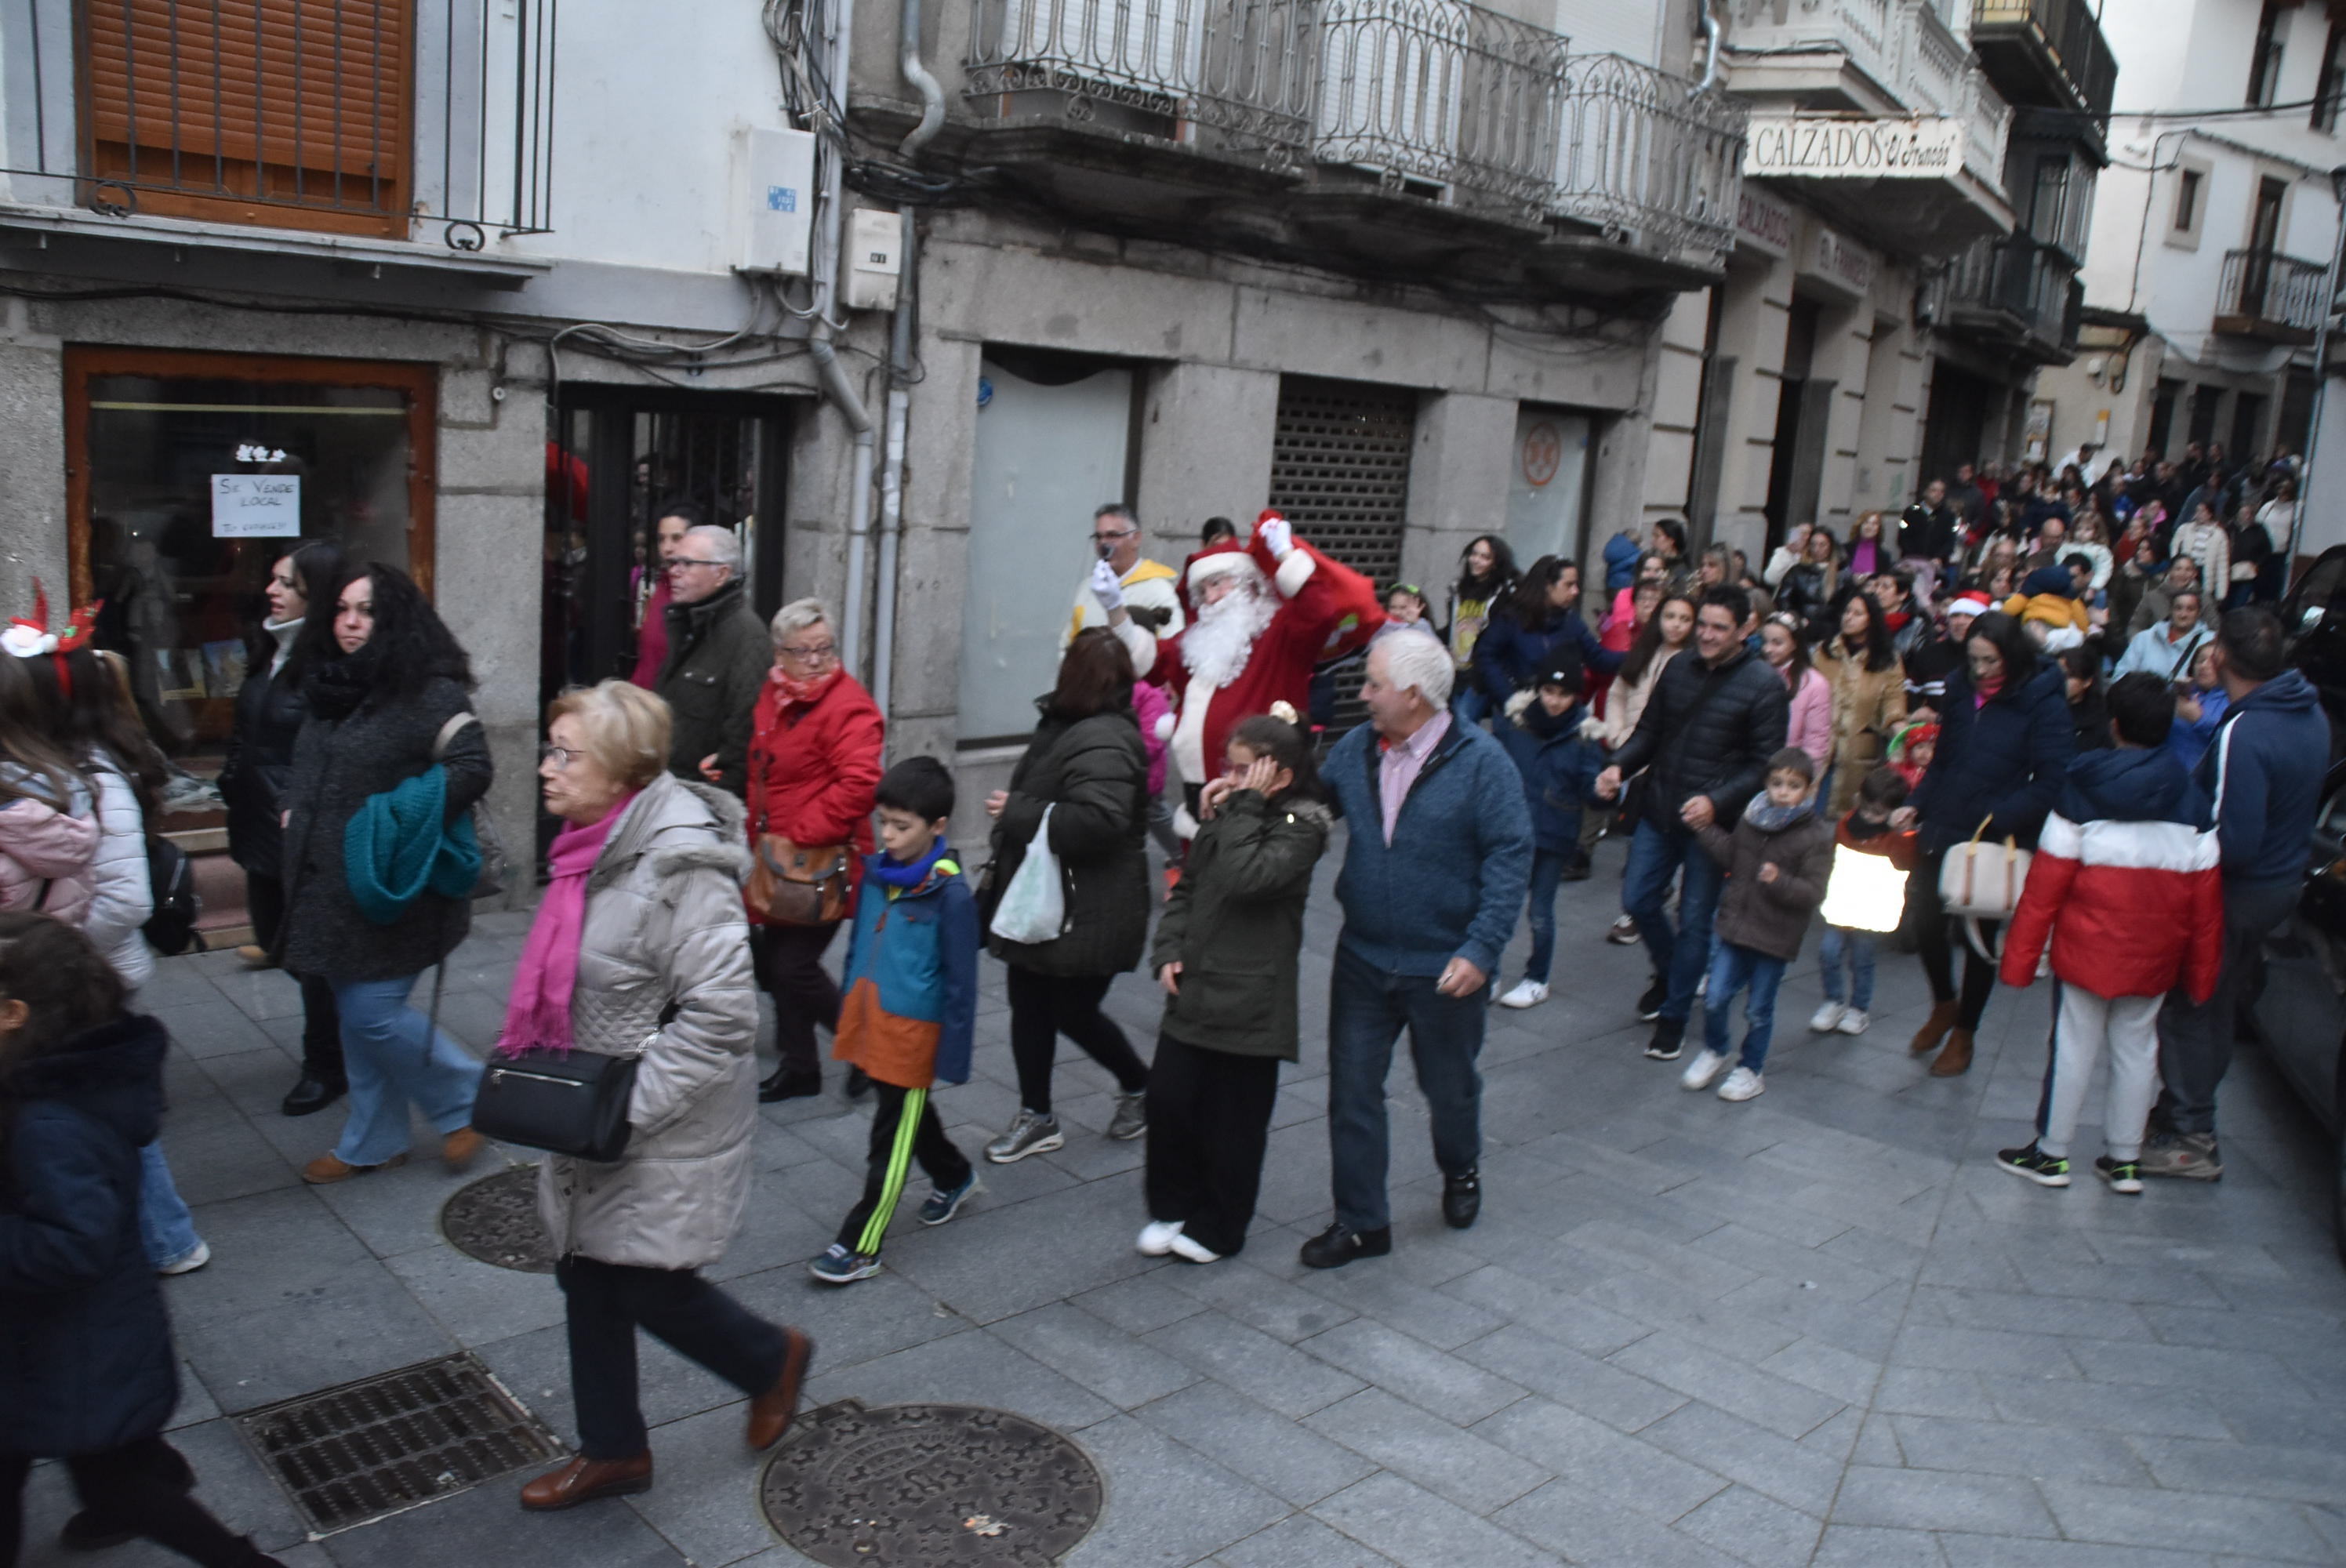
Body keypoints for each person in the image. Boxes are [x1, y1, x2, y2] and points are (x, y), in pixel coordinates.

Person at [510, 680, 813, 1509]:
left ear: (620, 769)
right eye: (550, 747)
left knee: (641, 1277)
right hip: (598, 1107)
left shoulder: (681, 866)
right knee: (585, 1267)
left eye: (565, 753)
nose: (546, 767)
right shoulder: (588, 844)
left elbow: (722, 1019)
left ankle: (768, 1358)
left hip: (654, 1113)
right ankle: (613, 1448)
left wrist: (623, 1110)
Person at [0, 913, 293, 1568]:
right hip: (68, 1340)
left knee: (112, 1474)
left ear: (13, 1013)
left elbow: (72, 1243)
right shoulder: (50, 1079)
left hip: (70, 1342)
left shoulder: (49, 1120)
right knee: (101, 1464)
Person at [1304, 630, 1530, 1269]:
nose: (1364, 694)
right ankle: (1361, 1223)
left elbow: (1511, 856)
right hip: (1364, 957)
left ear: (1412, 694)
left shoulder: (1484, 764)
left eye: (1374, 684)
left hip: (1445, 967)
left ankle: (1460, 1168)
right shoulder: (1356, 749)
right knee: (1352, 1092)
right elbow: (1313, 806)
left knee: (1448, 1087)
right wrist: (1255, 796)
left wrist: (1482, 949)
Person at [278, 564, 491, 1185]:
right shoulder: (330, 685)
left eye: (366, 611)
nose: (350, 622)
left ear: (395, 619)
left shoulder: (431, 692)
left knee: (371, 1012)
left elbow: (473, 765)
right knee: (355, 1013)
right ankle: (374, 1140)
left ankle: (468, 1097)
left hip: (396, 888)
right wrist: (290, 805)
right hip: (328, 890)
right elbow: (305, 763)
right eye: (342, 609)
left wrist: (401, 814)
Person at [16, 628, 208, 1277]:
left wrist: (53, 956)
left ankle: (168, 1237)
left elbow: (128, 901)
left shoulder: (96, 779)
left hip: (83, 977)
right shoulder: (58, 770)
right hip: (65, 974)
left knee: (105, 1108)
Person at [1996, 673, 2222, 1195]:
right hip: (2155, 955)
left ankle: (2052, 1153)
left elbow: (2045, 886)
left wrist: (2020, 959)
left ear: (2114, 725)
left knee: (2073, 1045)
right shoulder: (2191, 800)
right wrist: (2203, 975)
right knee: (2138, 1050)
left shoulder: (2080, 788)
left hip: (2085, 949)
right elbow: (2207, 904)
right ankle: (2124, 1160)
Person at [2143, 610, 2329, 1179]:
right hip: (2277, 887)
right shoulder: (2310, 712)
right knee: (2217, 1006)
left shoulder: (2244, 733)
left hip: (2236, 892)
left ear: (2222, 657)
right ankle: (2184, 1114)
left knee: (2192, 1008)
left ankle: (2190, 1137)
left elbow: (2235, 841)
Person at [1144, 713, 1331, 1264]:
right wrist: (1168, 950)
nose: (1231, 776)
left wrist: (1240, 808)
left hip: (1253, 997)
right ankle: (1173, 1204)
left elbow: (1249, 877)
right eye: (1232, 766)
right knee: (1169, 1100)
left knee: (1235, 1122)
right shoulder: (1233, 812)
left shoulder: (1304, 824)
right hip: (1196, 984)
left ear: (1280, 774)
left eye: (1245, 768)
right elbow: (1191, 886)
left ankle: (1222, 1225)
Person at [981, 630, 1153, 1162]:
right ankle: (1038, 1115)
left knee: (1072, 1010)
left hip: (1087, 908)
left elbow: (1100, 821)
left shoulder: (1101, 737)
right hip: (1051, 899)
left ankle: (1142, 1088)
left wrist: (1018, 811)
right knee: (1029, 1004)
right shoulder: (1067, 725)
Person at [1596, 587, 1790, 1061]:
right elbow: (1649, 732)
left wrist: (1715, 801)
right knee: (1638, 898)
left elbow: (1764, 765)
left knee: (1695, 922)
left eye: (1718, 627)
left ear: (1745, 630)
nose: (1705, 634)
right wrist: (1618, 765)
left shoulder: (1764, 684)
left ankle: (1675, 1016)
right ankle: (1670, 973)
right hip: (1660, 804)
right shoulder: (1677, 667)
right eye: (1702, 624)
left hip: (1712, 826)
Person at [808, 757, 981, 1284]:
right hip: (871, 1017)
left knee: (890, 1137)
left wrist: (951, 1053)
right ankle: (955, 1176)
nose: (889, 835)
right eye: (884, 822)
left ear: (937, 827)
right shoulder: (878, 875)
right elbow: (861, 946)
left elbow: (962, 983)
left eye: (902, 826)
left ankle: (861, 1244)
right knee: (904, 1113)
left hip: (913, 1034)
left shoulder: (949, 894)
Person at [1105, 512, 1382, 822]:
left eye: (1218, 584)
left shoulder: (1280, 631)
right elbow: (1148, 661)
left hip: (1259, 797)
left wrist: (1287, 556)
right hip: (1198, 797)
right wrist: (1115, 610)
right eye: (1203, 592)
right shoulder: (1196, 640)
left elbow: (1320, 610)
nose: (1210, 598)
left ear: (1248, 584)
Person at [1898, 610, 2072, 1077]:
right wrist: (1917, 801)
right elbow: (1944, 758)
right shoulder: (1959, 686)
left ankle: (1965, 1034)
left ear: (2010, 656)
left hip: (1993, 832)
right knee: (1924, 918)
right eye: (1974, 660)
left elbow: (2053, 777)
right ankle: (1944, 1003)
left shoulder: (2041, 698)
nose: (1981, 670)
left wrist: (2003, 816)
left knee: (1978, 937)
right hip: (1945, 818)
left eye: (1990, 661)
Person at [218, 540, 346, 1116]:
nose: (272, 591)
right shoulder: (267, 649)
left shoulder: (329, 666)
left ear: (315, 595)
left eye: (287, 583)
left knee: (310, 954)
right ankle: (354, 1028)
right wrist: (230, 779)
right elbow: (247, 729)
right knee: (278, 942)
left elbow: (330, 755)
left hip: (299, 830)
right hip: (257, 823)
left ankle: (327, 1064)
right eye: (273, 579)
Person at [741, 599, 885, 1103]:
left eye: (825, 649)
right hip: (776, 859)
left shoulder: (849, 706)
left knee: (792, 967)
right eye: (804, 652)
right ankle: (801, 1067)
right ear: (780, 655)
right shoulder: (774, 692)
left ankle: (868, 1049)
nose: (818, 660)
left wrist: (804, 832)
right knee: (780, 961)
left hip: (821, 861)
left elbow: (861, 782)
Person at [1679, 747, 1833, 1103]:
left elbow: (1813, 891)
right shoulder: (1752, 818)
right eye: (1777, 783)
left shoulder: (1816, 836)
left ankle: (1750, 1069)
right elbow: (1733, 854)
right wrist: (1705, 830)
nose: (1783, 791)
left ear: (1808, 790)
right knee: (1715, 997)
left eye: (1793, 786)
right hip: (1736, 925)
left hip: (1775, 936)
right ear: (1766, 784)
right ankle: (1716, 1049)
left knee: (1758, 1009)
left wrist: (1779, 880)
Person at [1496, 659, 1603, 1011]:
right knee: (1499, 904)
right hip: (1513, 828)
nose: (1555, 701)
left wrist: (1604, 790)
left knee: (1540, 910)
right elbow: (1497, 768)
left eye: (1564, 694)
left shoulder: (1584, 736)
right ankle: (1487, 970)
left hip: (1555, 832)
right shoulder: (1516, 723)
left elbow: (1591, 788)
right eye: (1549, 691)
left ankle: (1537, 978)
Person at [1599, 590, 1697, 947]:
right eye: (1670, 616)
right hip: (1634, 759)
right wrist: (1619, 736)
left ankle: (1649, 899)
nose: (1676, 625)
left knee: (1659, 833)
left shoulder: (1693, 661)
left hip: (1670, 764)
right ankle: (1641, 900)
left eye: (1685, 619)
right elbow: (1618, 693)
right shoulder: (1644, 652)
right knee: (1633, 831)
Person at [656, 524, 768, 795]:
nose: (675, 571)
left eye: (687, 563)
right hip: (670, 787)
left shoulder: (746, 636)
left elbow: (744, 734)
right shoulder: (689, 622)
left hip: (701, 799)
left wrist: (715, 799)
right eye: (673, 562)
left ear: (722, 574)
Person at [1469, 557, 1622, 746]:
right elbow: (1486, 656)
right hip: (1519, 712)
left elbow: (1599, 659)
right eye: (1569, 585)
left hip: (1560, 713)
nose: (1576, 591)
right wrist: (1509, 698)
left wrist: (1639, 656)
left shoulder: (1571, 620)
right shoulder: (1512, 618)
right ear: (1548, 586)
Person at [1811, 766, 1917, 1037]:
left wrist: (1901, 834)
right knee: (1828, 952)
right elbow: (1833, 857)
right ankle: (1834, 1000)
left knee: (1862, 958)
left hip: (1872, 907)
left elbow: (1906, 862)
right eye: (1867, 808)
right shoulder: (1847, 823)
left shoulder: (1897, 836)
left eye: (1878, 812)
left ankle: (1858, 1008)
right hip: (1843, 900)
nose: (1870, 817)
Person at [1810, 586, 1908, 819]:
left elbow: (1894, 704)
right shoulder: (1825, 653)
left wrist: (1900, 736)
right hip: (1820, 751)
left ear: (1871, 619)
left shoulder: (1887, 660)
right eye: (1847, 612)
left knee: (1846, 823)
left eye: (1857, 613)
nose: (1849, 617)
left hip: (1859, 757)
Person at [1066, 503, 1182, 649]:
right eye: (1098, 537)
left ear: (1136, 538)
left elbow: (1169, 651)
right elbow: (1068, 645)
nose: (1103, 544)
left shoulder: (1158, 591)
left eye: (1112, 536)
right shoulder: (1087, 588)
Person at [1444, 535, 1517, 722]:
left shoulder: (1503, 595)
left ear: (1495, 563)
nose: (1476, 560)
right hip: (1455, 670)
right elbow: (1451, 629)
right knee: (1451, 725)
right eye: (1474, 554)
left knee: (1463, 724)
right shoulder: (1458, 590)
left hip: (1479, 676)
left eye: (1485, 557)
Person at [627, 502, 699, 689]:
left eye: (677, 538)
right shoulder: (663, 584)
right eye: (661, 539)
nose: (667, 548)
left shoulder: (699, 592)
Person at [1761, 614, 1831, 775]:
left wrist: (1800, 781)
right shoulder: (1754, 672)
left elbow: (1816, 743)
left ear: (1795, 644)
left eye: (1777, 643)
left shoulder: (1815, 684)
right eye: (1765, 642)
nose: (1768, 649)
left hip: (1788, 774)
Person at [2112, 585, 2210, 681]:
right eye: (2178, 608)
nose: (2183, 614)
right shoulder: (2144, 639)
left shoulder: (2210, 641)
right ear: (2170, 610)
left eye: (2190, 609)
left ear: (2199, 613)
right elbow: (2120, 677)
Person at [2001, 564, 2089, 652]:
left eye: (2024, 579)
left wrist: (2001, 613)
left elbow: (2011, 608)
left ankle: (2049, 646)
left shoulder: (2031, 588)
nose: (2022, 583)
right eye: (2019, 580)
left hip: (2040, 624)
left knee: (2032, 629)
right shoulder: (2070, 598)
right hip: (2059, 627)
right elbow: (2082, 621)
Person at [2126, 551, 2203, 638]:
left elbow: (2214, 628)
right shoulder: (2152, 597)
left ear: (2194, 573)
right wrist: (2138, 642)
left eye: (2188, 570)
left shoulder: (2203, 597)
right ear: (2170, 571)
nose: (2183, 574)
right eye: (2178, 569)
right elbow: (2136, 626)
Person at [2166, 499, 2230, 603]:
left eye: (2202, 511)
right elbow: (2174, 547)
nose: (2199, 514)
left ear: (2210, 514)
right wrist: (2177, 565)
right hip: (2185, 571)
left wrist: (2221, 594)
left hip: (2204, 574)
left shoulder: (2219, 535)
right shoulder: (2185, 529)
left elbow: (2222, 565)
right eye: (2197, 511)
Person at [1777, 528, 1838, 626]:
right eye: (1813, 544)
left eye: (1822, 545)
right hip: (1802, 625)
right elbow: (1783, 599)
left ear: (1830, 547)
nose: (1817, 549)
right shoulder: (1797, 571)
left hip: (1830, 627)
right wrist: (1794, 619)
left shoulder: (1841, 573)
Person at [2058, 645, 2112, 755]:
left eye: (2069, 676)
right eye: (2057, 673)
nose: (2060, 680)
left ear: (2087, 682)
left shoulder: (2100, 719)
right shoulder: (2042, 707)